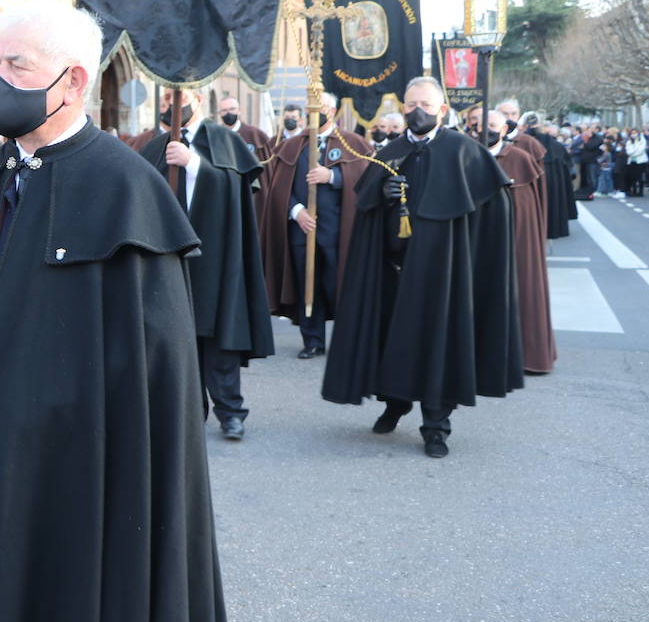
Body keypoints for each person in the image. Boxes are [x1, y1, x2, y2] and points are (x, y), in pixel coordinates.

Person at [0, 5, 237, 622]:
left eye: (16, 66)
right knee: (3, 619)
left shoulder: (126, 190)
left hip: (85, 471)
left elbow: (159, 373)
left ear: (73, 80)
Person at [322, 76, 523, 458]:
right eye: (411, 105)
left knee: (437, 343)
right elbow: (365, 206)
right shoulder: (390, 151)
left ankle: (436, 425)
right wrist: (381, 197)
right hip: (394, 269)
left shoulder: (466, 153)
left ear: (442, 110)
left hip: (443, 274)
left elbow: (492, 214)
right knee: (391, 338)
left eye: (426, 106)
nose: (417, 112)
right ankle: (395, 404)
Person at [139, 89, 273, 440]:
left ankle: (230, 410)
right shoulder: (155, 146)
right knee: (177, 338)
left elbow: (238, 188)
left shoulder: (224, 140)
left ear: (195, 97)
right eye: (165, 102)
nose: (169, 106)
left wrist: (194, 164)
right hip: (169, 257)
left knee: (219, 336)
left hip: (216, 252)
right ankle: (189, 410)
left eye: (173, 98)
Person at [260, 95, 373, 360]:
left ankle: (348, 340)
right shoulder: (292, 146)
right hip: (303, 231)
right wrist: (296, 211)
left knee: (340, 284)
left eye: (318, 108)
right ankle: (312, 340)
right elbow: (277, 187)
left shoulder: (352, 143)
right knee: (307, 284)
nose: (313, 114)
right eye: (309, 109)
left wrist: (333, 176)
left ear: (331, 111)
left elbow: (366, 180)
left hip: (339, 233)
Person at [486, 110, 556, 375]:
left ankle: (527, 354)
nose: (484, 129)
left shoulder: (520, 158)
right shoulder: (466, 153)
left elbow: (530, 207)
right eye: (477, 124)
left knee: (521, 285)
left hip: (513, 238)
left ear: (504, 129)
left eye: (492, 125)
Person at [625, 127, 649, 197]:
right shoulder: (629, 141)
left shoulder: (642, 140)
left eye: (635, 133)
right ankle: (634, 191)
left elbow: (641, 150)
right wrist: (634, 151)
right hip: (632, 161)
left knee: (640, 177)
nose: (634, 134)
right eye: (632, 133)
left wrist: (633, 152)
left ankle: (640, 192)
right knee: (633, 177)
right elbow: (628, 151)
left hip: (641, 161)